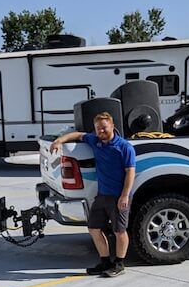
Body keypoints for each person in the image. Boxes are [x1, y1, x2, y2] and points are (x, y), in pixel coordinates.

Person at [50, 111, 137, 276]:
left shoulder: (124, 147)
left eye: (104, 128)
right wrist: (59, 141)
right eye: (98, 129)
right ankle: (105, 262)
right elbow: (77, 135)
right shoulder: (95, 141)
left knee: (119, 231)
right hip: (102, 195)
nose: (101, 131)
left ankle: (119, 264)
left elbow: (130, 172)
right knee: (94, 228)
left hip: (118, 196)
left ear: (112, 126)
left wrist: (125, 195)